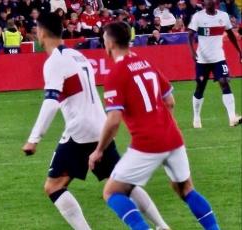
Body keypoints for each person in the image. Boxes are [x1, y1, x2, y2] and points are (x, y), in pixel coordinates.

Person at [22, 13, 171, 230]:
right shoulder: (78, 56)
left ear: (41, 32)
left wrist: (34, 139)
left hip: (80, 131)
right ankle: (162, 225)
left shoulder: (54, 61)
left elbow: (51, 102)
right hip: (100, 127)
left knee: (53, 186)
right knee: (122, 181)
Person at [88, 21, 220, 230]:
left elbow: (114, 120)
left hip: (147, 142)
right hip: (172, 137)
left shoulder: (115, 73)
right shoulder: (145, 62)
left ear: (110, 43)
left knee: (112, 192)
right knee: (185, 189)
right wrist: (160, 125)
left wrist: (98, 151)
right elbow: (170, 101)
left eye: (104, 39)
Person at [188, 0, 242, 128]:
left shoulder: (223, 16)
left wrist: (239, 51)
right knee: (200, 88)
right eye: (206, 0)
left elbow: (230, 34)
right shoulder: (198, 17)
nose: (209, 2)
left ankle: (232, 118)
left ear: (216, 2)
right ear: (204, 3)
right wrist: (192, 52)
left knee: (224, 82)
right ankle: (196, 117)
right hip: (202, 60)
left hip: (219, 58)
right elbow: (190, 34)